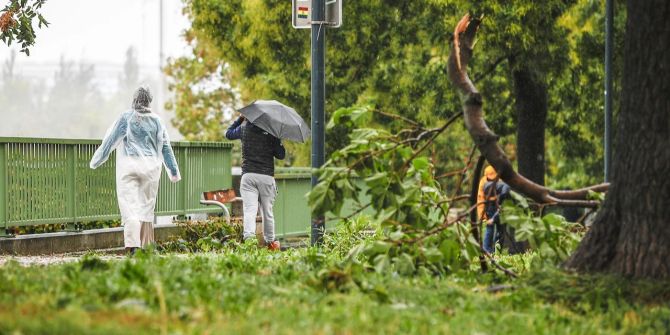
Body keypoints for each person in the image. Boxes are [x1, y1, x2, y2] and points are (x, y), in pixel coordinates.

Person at [90, 86, 181, 254]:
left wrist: (96, 160)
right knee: (146, 208)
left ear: (134, 100)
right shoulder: (157, 121)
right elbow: (166, 147)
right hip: (151, 169)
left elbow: (110, 142)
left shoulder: (126, 117)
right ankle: (147, 246)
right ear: (149, 101)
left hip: (129, 166)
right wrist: (173, 172)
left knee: (130, 207)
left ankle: (133, 247)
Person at [226, 114, 286, 251]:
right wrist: (278, 138)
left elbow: (228, 133)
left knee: (250, 210)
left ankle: (249, 240)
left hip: (248, 176)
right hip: (266, 177)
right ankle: (271, 242)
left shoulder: (244, 128)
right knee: (267, 211)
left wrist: (240, 119)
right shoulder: (272, 132)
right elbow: (281, 155)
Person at [478, 166, 511, 254]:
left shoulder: (502, 181)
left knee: (500, 230)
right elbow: (480, 199)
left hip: (500, 205)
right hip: (489, 206)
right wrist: (482, 215)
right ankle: (487, 251)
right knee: (489, 229)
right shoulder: (483, 182)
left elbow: (504, 200)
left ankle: (497, 251)